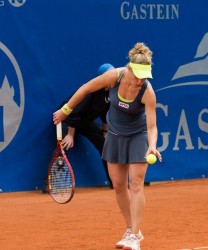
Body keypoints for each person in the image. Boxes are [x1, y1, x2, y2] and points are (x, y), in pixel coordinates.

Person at [53, 42, 162, 250]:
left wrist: (152, 146)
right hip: (114, 136)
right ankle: (132, 229)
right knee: (119, 186)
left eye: (144, 76)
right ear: (129, 68)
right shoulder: (114, 77)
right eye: (137, 75)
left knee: (136, 184)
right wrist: (66, 110)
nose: (140, 80)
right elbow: (86, 88)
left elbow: (152, 126)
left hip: (138, 137)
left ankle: (135, 239)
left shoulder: (148, 92)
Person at [61, 63, 114, 189]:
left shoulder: (111, 91)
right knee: (65, 145)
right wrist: (70, 135)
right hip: (66, 118)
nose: (114, 77)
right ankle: (54, 183)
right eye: (110, 75)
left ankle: (115, 182)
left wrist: (105, 132)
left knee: (105, 145)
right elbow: (74, 113)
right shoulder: (91, 90)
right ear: (103, 77)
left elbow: (106, 112)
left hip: (85, 121)